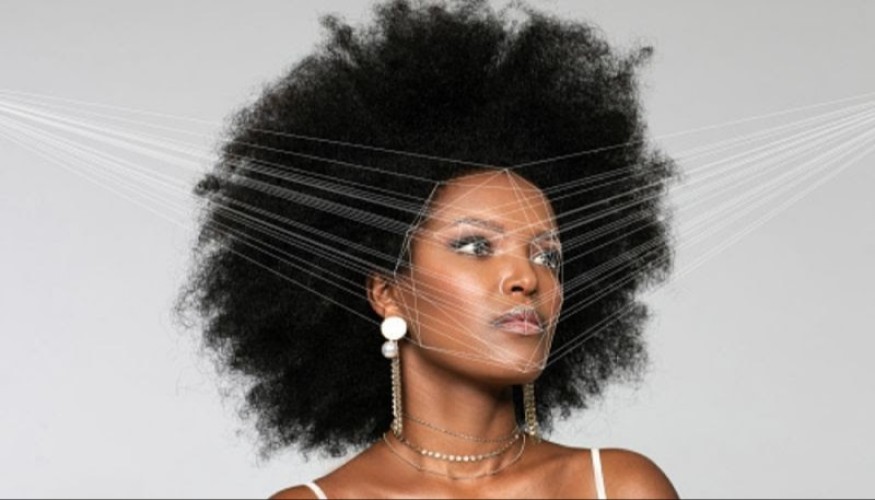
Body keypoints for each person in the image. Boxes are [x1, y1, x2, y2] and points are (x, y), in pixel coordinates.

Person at [178, 1, 679, 497]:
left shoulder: (619, 487)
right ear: (388, 293)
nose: (527, 278)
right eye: (476, 246)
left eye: (548, 256)